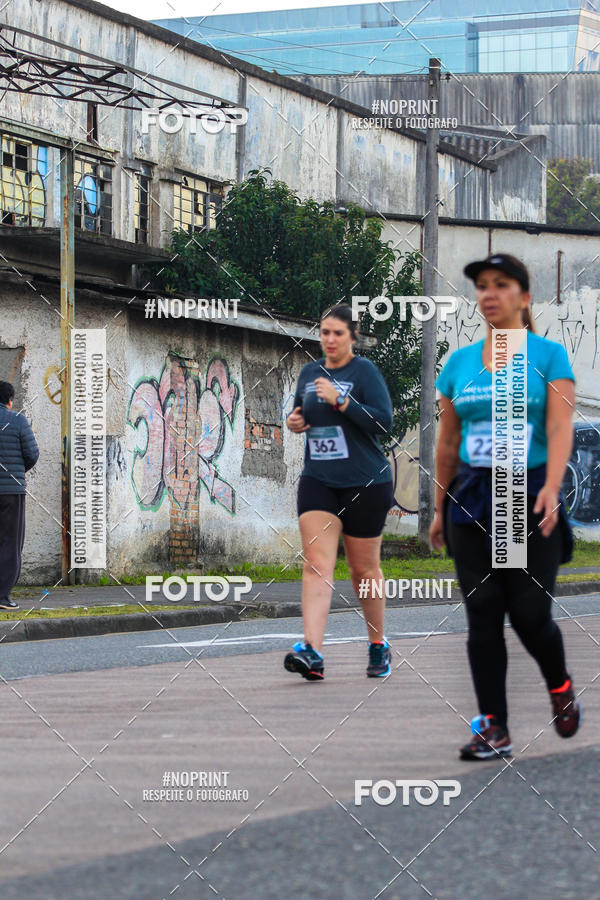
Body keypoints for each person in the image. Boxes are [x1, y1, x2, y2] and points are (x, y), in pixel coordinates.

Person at [430, 253, 581, 760]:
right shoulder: (459, 364)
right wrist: (436, 508)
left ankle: (558, 684)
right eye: (482, 286)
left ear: (524, 295)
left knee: (529, 614)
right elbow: (447, 444)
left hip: (526, 494)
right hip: (471, 498)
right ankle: (494, 725)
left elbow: (561, 427)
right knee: (483, 614)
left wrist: (552, 485)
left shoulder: (548, 356)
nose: (488, 293)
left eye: (501, 284)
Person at [284, 303, 395, 681]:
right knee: (316, 563)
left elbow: (384, 421)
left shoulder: (364, 372)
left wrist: (342, 401)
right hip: (320, 480)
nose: (329, 340)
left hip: (366, 481)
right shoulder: (308, 372)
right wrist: (295, 421)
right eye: (325, 332)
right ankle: (312, 651)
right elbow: (300, 413)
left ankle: (378, 645)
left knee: (363, 570)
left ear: (352, 337)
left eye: (337, 333)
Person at [0, 381, 39, 610]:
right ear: (10, 400)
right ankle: (3, 597)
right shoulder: (17, 420)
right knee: (10, 543)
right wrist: (15, 471)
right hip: (11, 493)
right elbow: (32, 453)